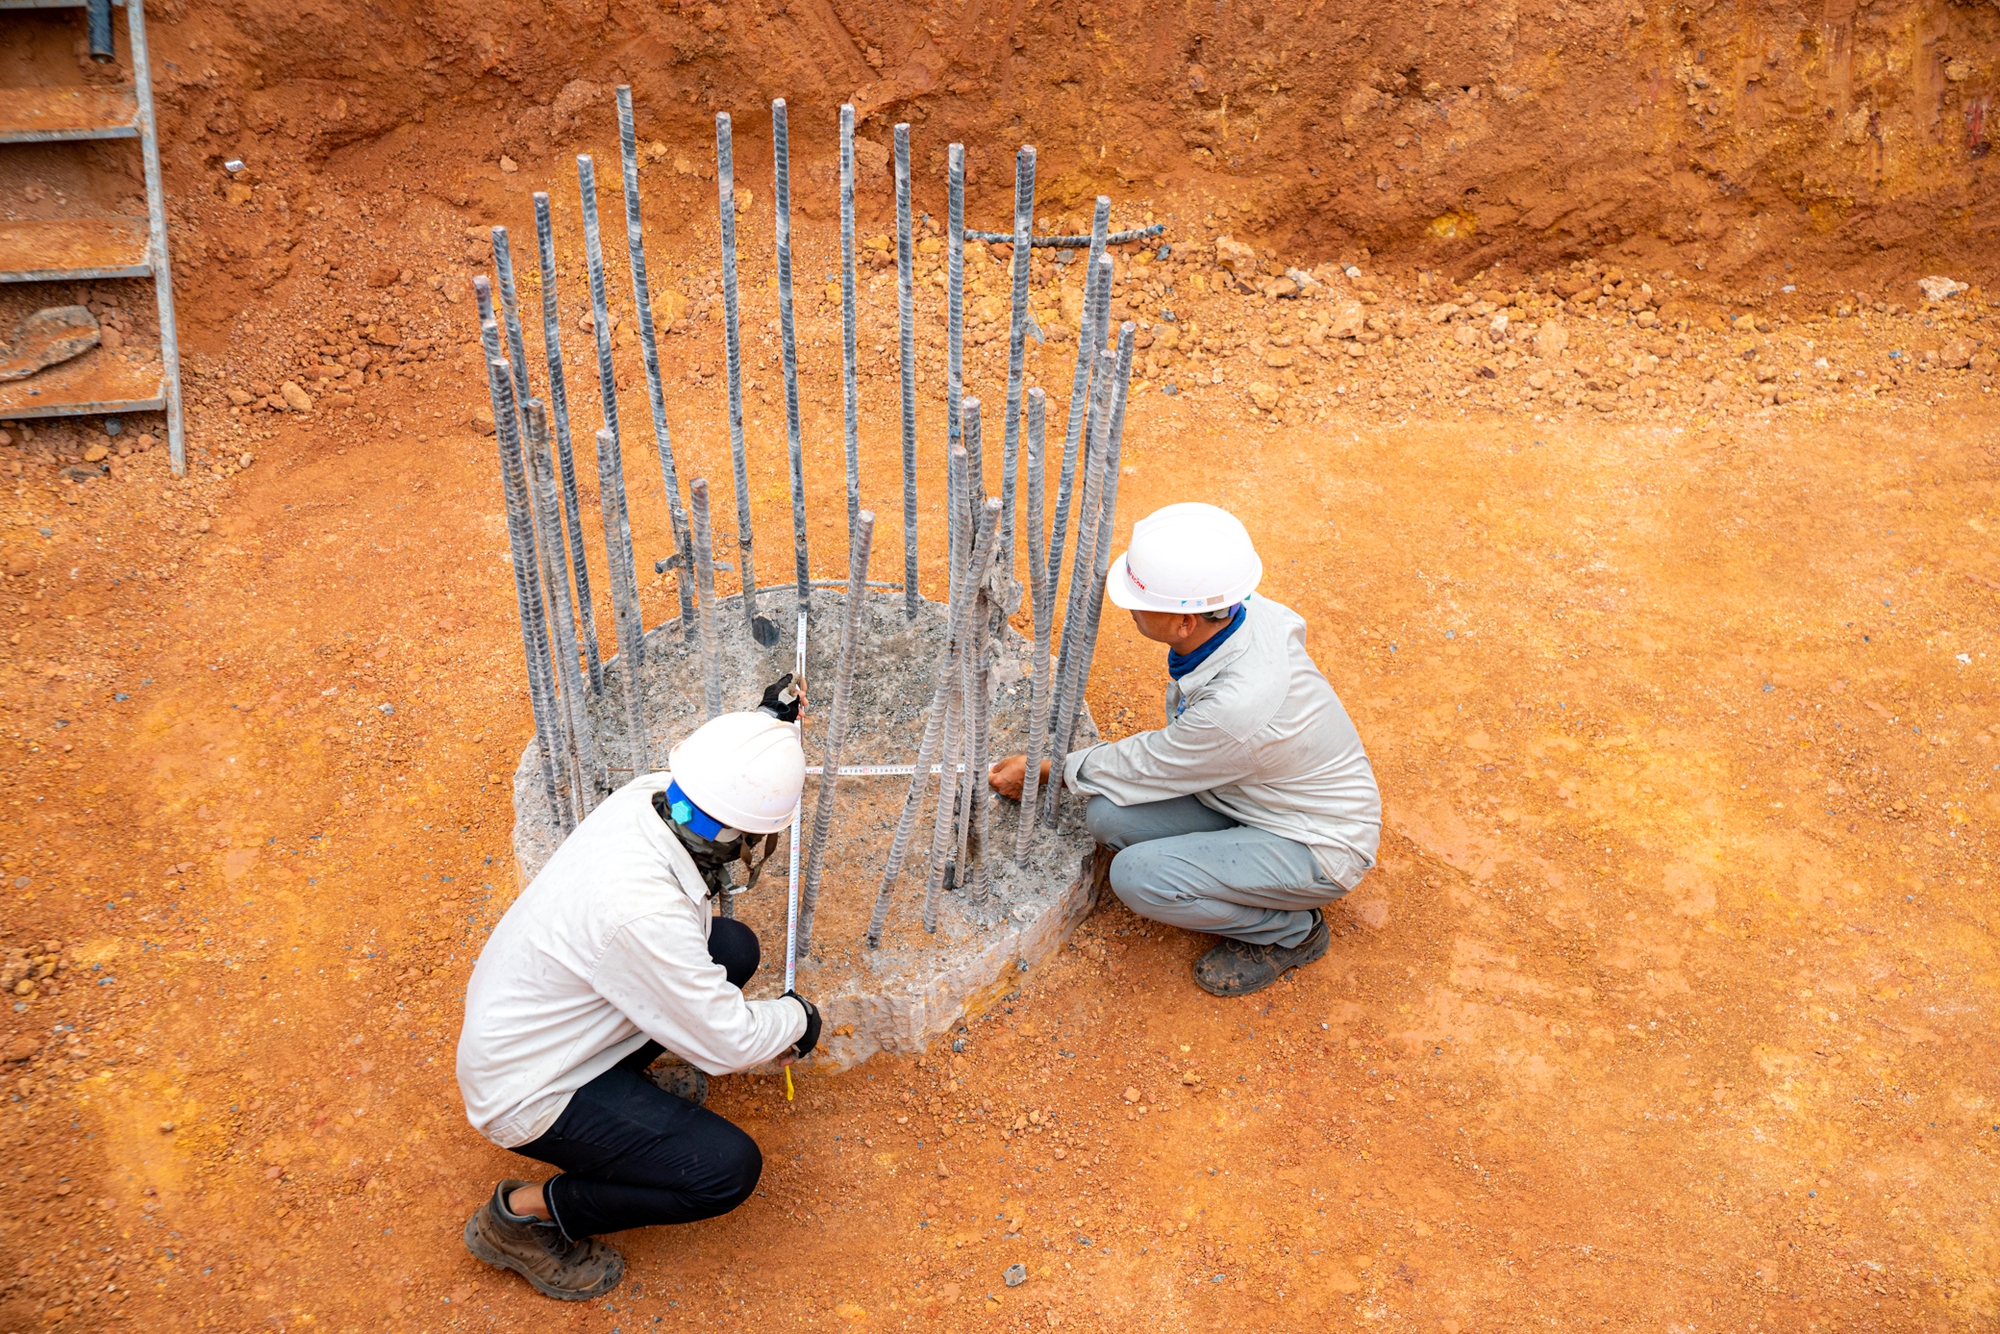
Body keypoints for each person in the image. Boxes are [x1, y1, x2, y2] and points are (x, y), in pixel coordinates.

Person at [455, 677, 820, 1301]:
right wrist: (799, 1020)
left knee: (732, 949)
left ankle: (625, 1091)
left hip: (544, 1028)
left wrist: (768, 724)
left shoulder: (650, 797)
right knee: (725, 1171)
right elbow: (730, 1043)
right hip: (528, 1090)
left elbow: (721, 778)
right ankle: (521, 1218)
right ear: (743, 836)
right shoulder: (644, 916)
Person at [991, 503, 1380, 997]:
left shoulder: (1235, 709)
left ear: (1185, 623)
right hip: (1254, 796)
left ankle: (1291, 932)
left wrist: (1044, 770)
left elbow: (1152, 762)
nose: (1130, 608)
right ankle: (1236, 869)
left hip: (1316, 844)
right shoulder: (1245, 608)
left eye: (1139, 602)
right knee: (1108, 816)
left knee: (1138, 878)